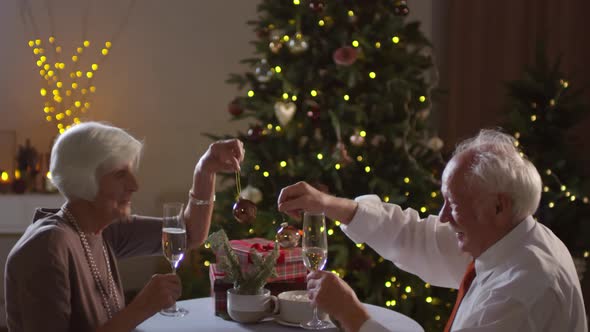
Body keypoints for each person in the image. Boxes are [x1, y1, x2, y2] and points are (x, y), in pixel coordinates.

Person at [278, 129, 587, 332]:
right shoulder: (508, 237)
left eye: (452, 203)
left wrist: (351, 313)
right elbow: (416, 237)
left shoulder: (523, 292)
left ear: (498, 206)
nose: (442, 217)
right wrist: (328, 204)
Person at [5, 122, 244, 332]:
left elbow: (189, 235)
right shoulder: (48, 247)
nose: (134, 185)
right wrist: (140, 308)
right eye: (120, 174)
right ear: (84, 180)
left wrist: (205, 170)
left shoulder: (102, 228)